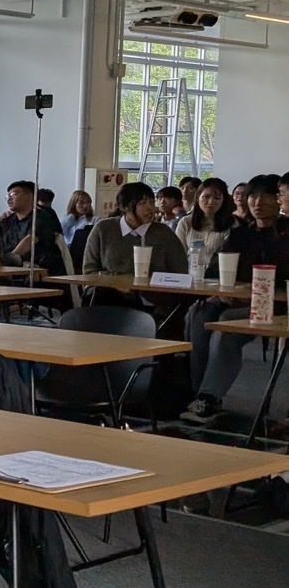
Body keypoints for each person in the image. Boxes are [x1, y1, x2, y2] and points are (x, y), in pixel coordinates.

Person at [183, 176, 289, 424]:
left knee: (225, 326)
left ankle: (207, 396)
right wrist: (219, 292)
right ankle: (199, 391)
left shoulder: (285, 233)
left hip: (273, 306)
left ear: (278, 199)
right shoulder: (242, 233)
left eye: (265, 196)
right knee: (198, 314)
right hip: (236, 300)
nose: (257, 202)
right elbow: (214, 270)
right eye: (252, 196)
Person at [82, 181, 187, 276]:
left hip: (153, 295)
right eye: (142, 203)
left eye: (151, 202)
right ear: (125, 207)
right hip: (110, 293)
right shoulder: (103, 229)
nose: (150, 208)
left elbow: (180, 272)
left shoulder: (164, 233)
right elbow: (89, 270)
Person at [0, 179, 65, 272]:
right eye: (7, 196)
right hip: (13, 268)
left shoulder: (43, 217)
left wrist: (8, 260)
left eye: (13, 194)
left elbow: (29, 241)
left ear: (30, 195)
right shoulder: (8, 220)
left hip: (41, 270)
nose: (9, 199)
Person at [175, 177, 234, 257]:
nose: (211, 202)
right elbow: (178, 255)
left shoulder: (232, 224)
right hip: (190, 268)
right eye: (206, 197)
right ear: (198, 197)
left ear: (223, 200)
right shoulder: (185, 222)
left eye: (217, 198)